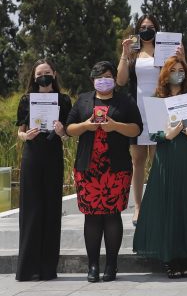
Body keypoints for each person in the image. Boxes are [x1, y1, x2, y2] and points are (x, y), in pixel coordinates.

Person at [133, 56, 187, 277]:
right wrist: (168, 134)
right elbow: (154, 133)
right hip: (167, 156)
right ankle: (169, 257)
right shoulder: (157, 98)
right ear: (165, 74)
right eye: (173, 70)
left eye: (181, 70)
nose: (178, 73)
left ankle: (185, 256)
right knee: (169, 204)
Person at [66, 61, 142, 283]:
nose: (104, 79)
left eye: (108, 76)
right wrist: (86, 126)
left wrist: (115, 125)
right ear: (93, 80)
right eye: (99, 76)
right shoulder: (83, 100)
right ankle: (92, 266)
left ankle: (111, 264)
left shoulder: (125, 100)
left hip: (116, 168)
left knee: (112, 216)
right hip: (88, 168)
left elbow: (137, 128)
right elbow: (69, 128)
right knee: (91, 217)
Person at [15, 60, 72, 281]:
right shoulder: (26, 100)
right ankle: (28, 268)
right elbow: (20, 131)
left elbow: (68, 133)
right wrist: (25, 135)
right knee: (31, 209)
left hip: (53, 156)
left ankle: (48, 268)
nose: (44, 76)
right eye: (40, 73)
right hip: (32, 155)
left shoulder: (64, 100)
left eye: (47, 72)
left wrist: (62, 132)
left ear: (54, 75)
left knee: (51, 209)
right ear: (34, 77)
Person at [116, 14, 173, 225]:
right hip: (136, 111)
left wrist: (180, 56)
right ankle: (138, 207)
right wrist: (123, 53)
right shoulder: (132, 53)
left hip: (159, 108)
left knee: (158, 161)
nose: (147, 29)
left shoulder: (164, 52)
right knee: (137, 160)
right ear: (138, 30)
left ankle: (158, 205)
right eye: (143, 26)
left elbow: (176, 76)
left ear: (157, 30)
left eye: (150, 27)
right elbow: (120, 81)